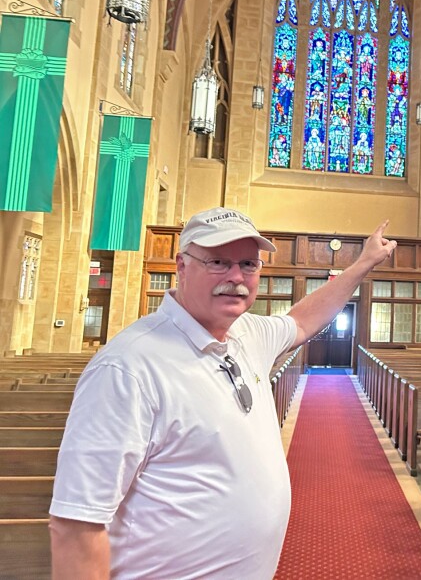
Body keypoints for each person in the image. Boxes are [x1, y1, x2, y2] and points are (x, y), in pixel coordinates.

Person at [48, 207, 397, 579]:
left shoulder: (247, 333)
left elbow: (302, 320)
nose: (236, 277)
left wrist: (362, 265)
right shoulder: (127, 368)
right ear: (182, 265)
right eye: (218, 261)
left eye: (248, 264)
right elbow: (77, 524)